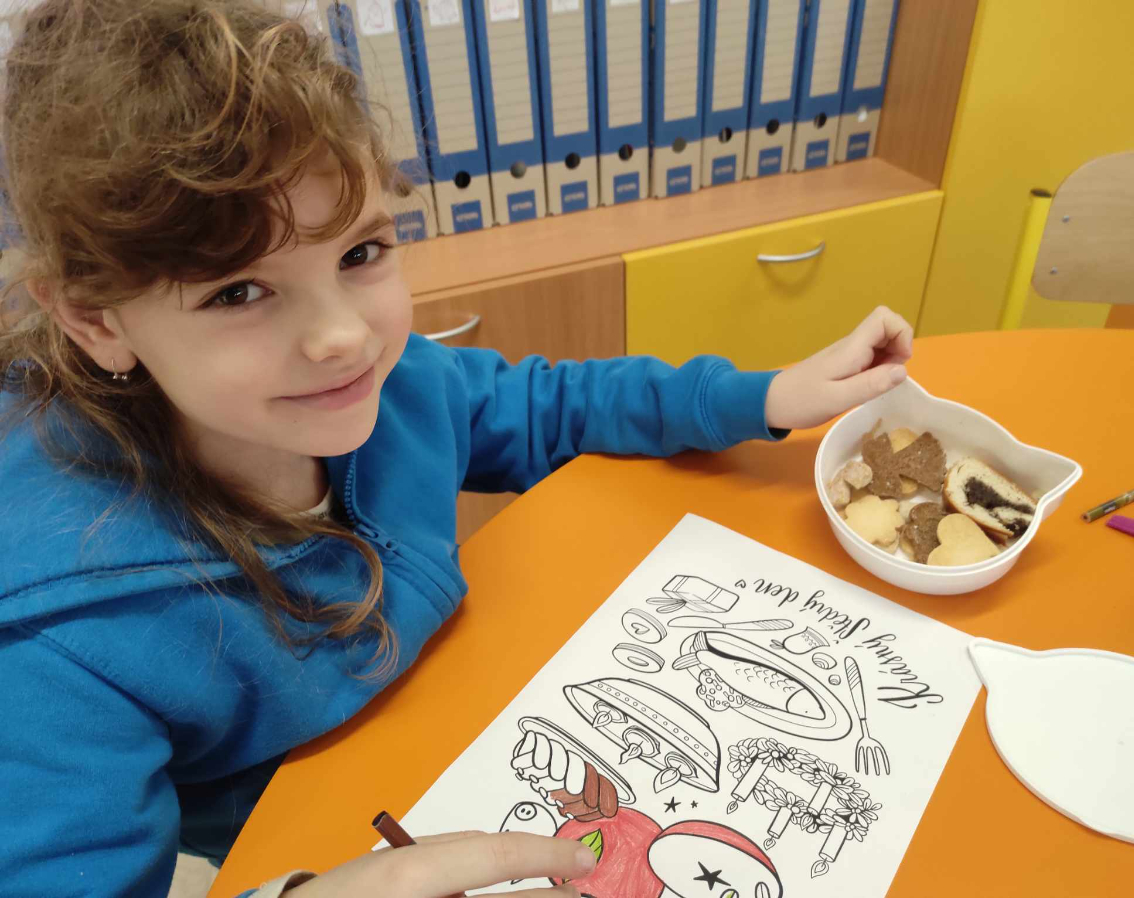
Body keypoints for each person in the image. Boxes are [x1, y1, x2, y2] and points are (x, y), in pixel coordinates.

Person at [0, 2, 913, 896]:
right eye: (237, 292)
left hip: (474, 742)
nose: (344, 338)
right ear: (95, 321)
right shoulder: (54, 637)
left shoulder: (397, 384)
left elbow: (547, 405)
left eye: (360, 254)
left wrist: (759, 397)